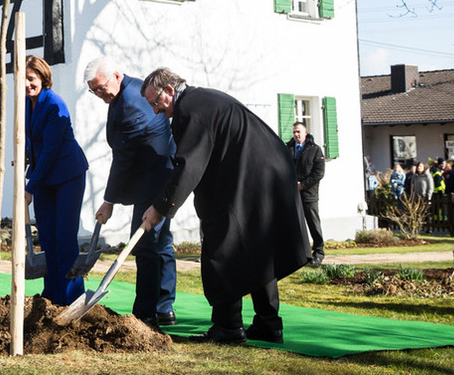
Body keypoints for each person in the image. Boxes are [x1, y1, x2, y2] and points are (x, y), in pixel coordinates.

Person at [139, 68, 309, 345]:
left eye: (156, 102)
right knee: (257, 248)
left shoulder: (190, 109)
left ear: (169, 90)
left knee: (221, 246)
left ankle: (228, 328)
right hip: (269, 171)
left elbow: (188, 166)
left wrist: (160, 207)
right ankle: (268, 324)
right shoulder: (200, 101)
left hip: (253, 175)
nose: (157, 111)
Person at [84, 56, 177, 327]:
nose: (100, 94)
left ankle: (146, 314)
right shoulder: (128, 90)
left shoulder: (131, 104)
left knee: (145, 245)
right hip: (159, 174)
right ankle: (164, 306)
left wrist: (109, 201)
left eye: (101, 87)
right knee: (162, 242)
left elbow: (123, 158)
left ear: (115, 75)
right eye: (94, 91)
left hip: (156, 178)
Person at [23, 55, 89, 305]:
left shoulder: (54, 104)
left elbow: (50, 150)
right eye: (24, 79)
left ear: (42, 77)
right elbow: (31, 143)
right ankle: (51, 297)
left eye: (31, 79)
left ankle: (73, 298)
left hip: (67, 175)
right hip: (44, 178)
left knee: (64, 237)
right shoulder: (28, 104)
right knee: (48, 238)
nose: (27, 84)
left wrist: (30, 187)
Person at [286, 122, 326, 267]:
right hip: (292, 195)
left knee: (313, 224)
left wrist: (303, 185)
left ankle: (318, 254)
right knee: (295, 226)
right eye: (294, 132)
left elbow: (319, 172)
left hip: (309, 194)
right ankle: (300, 255)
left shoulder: (314, 150)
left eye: (298, 132)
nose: (296, 135)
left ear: (305, 132)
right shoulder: (288, 149)